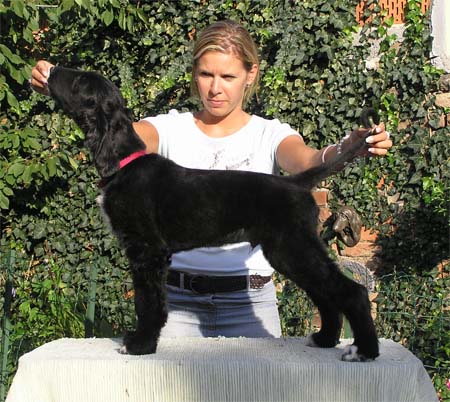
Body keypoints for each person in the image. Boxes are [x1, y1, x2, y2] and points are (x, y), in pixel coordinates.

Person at [30, 20, 392, 339]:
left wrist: (346, 148)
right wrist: (61, 87)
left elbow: (309, 160)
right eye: (206, 74)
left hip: (250, 303)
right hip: (180, 307)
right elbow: (115, 128)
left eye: (228, 77)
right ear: (194, 74)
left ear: (250, 74)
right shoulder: (169, 127)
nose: (215, 88)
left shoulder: (269, 133)